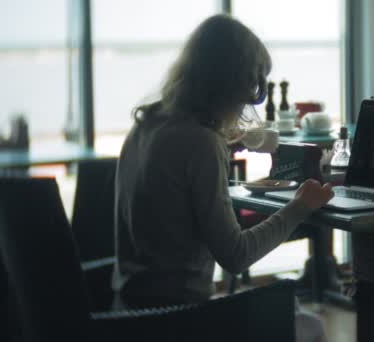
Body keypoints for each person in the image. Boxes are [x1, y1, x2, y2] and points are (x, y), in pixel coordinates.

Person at [112, 14, 334, 342]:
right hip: (178, 321)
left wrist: (233, 141)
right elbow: (236, 256)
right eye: (250, 87)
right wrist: (300, 207)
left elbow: (178, 167)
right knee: (311, 326)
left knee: (294, 315)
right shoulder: (201, 142)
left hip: (128, 314)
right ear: (231, 83)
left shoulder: (146, 125)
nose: (249, 101)